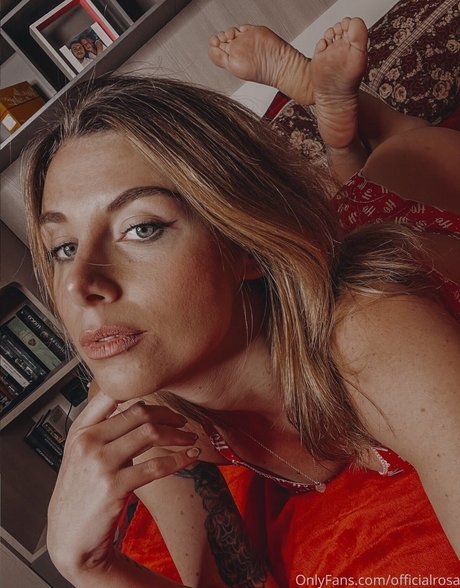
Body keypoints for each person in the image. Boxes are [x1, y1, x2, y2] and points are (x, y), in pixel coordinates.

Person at [23, 16, 459, 587]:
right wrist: (87, 565)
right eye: (63, 247)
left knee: (403, 152)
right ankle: (341, 139)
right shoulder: (149, 415)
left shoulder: (368, 330)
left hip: (411, 220)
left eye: (141, 228)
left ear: (243, 244)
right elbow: (229, 580)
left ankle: (337, 110)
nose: (81, 285)